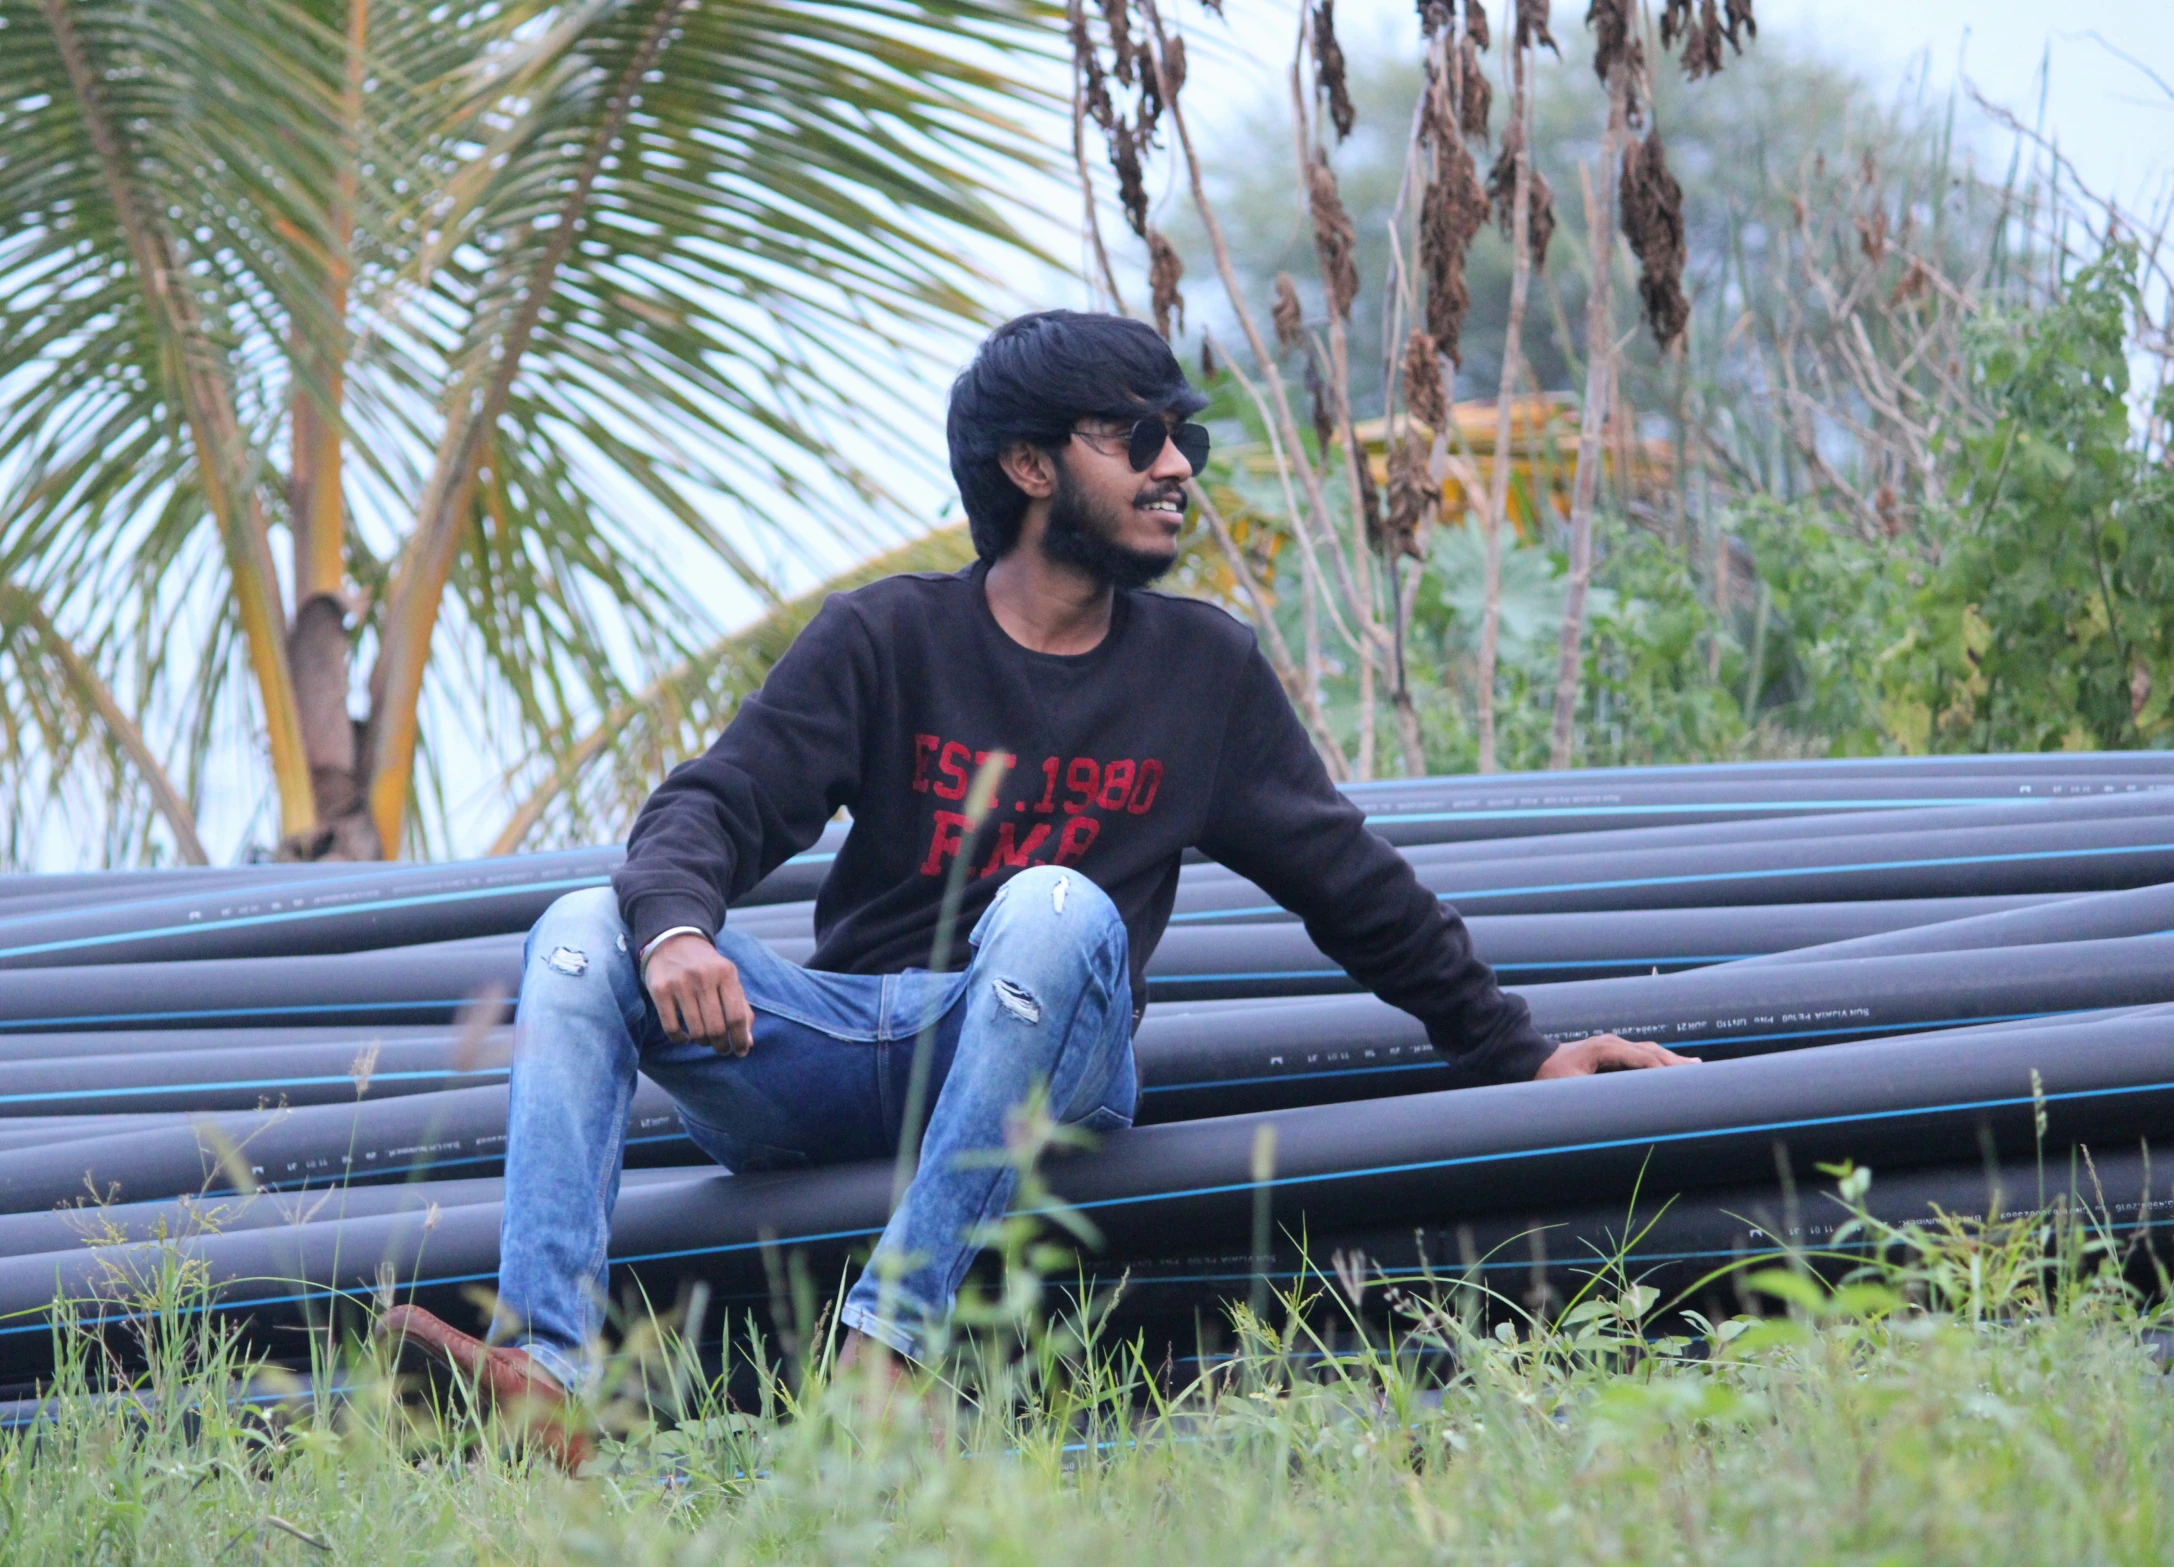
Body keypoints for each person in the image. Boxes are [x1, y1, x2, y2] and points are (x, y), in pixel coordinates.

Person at [380, 310, 1691, 1461]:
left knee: (1055, 901)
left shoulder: (1202, 673)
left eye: (1180, 437)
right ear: (1029, 465)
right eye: (1136, 437)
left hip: (1057, 1066)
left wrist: (1516, 1056)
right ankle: (544, 1374)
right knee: (577, 928)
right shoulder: (882, 639)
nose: (1176, 465)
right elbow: (711, 805)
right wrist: (673, 930)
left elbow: (1350, 884)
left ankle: (886, 1356)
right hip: (854, 1047)